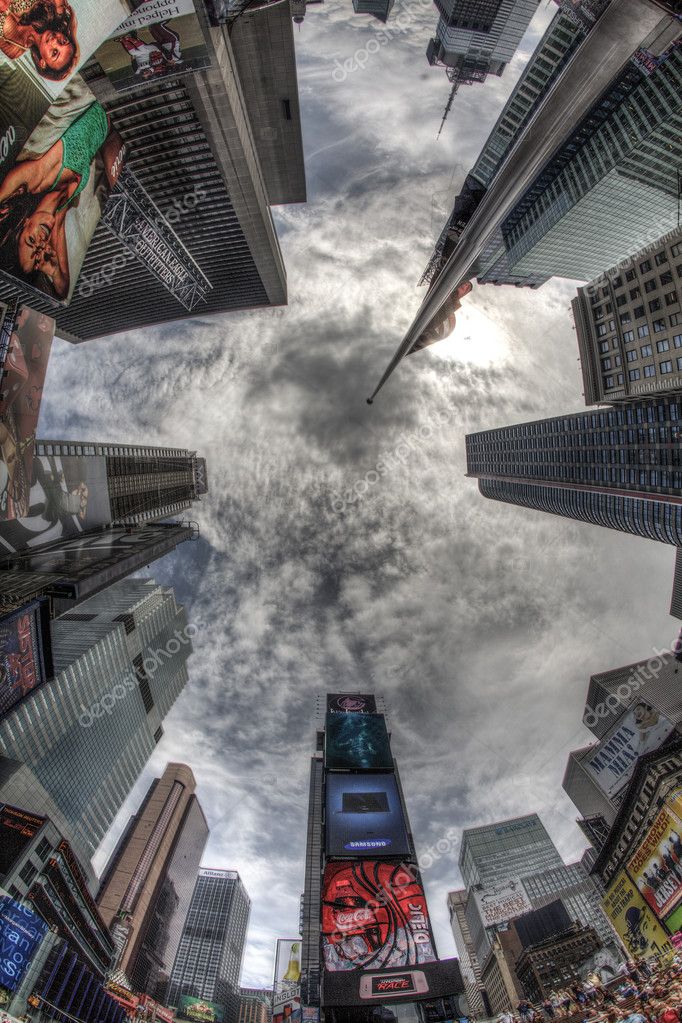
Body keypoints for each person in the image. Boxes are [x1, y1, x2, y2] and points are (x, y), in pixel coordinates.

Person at [0, 99, 108, 299]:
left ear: (24, 223)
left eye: (30, 241)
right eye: (38, 255)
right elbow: (62, 288)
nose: (40, 243)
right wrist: (52, 270)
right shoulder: (59, 215)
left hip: (94, 100)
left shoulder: (35, 179)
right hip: (106, 125)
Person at [0, 0, 78, 80]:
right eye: (63, 41)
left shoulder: (13, 50)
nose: (55, 41)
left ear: (43, 63)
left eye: (54, 53)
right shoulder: (55, 6)